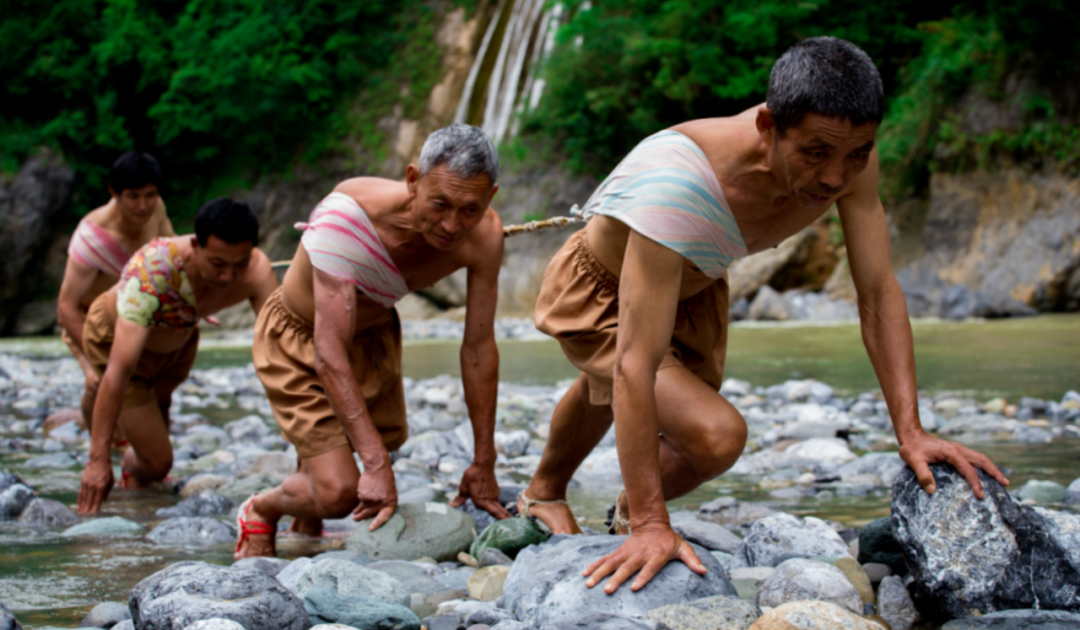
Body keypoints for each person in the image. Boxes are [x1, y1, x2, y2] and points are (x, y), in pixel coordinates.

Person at [520, 37, 1011, 594]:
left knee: (606, 383)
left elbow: (877, 292)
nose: (834, 177)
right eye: (815, 153)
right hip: (607, 287)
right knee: (713, 436)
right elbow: (634, 364)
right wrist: (655, 525)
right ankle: (627, 515)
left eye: (856, 153)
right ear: (766, 125)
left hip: (696, 286)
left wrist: (911, 431)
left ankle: (552, 492)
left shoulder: (849, 161)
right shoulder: (676, 185)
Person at [233, 124, 508, 559]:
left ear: (491, 197)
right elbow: (328, 354)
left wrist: (483, 460)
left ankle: (308, 517)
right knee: (342, 490)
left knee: (376, 447)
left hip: (374, 337)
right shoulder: (347, 220)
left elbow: (478, 349)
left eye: (470, 209)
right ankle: (260, 508)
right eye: (440, 204)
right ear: (413, 180)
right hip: (303, 339)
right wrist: (375, 464)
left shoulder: (485, 236)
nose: (452, 225)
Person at [76, 198, 279, 514]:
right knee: (158, 462)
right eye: (217, 264)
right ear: (196, 245)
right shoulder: (153, 272)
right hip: (117, 339)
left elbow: (279, 345)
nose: (228, 276)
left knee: (159, 410)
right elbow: (118, 371)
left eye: (238, 264)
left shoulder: (256, 271)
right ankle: (133, 465)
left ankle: (143, 488)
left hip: (178, 339)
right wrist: (97, 461)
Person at [57, 151, 175, 429]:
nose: (143, 206)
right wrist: (98, 354)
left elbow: (171, 256)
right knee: (101, 382)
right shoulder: (92, 237)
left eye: (150, 195)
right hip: (89, 322)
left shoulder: (157, 209)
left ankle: (151, 446)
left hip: (134, 314)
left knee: (154, 384)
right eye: (133, 196)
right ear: (115, 193)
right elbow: (66, 306)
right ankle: (98, 443)